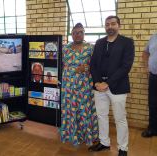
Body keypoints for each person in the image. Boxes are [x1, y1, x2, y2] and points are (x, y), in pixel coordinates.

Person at [88, 16, 135, 156]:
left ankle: (123, 148)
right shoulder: (99, 42)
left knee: (120, 118)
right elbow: (93, 64)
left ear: (119, 25)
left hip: (118, 87)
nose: (110, 27)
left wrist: (107, 83)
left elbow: (125, 67)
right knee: (101, 116)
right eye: (107, 24)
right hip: (99, 87)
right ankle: (104, 142)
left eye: (113, 24)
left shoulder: (127, 42)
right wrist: (97, 82)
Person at [60, 23, 98, 146]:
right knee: (70, 110)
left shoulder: (91, 48)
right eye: (75, 32)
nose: (78, 35)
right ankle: (70, 134)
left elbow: (97, 65)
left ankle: (86, 135)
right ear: (71, 34)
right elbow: (60, 64)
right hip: (68, 85)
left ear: (84, 33)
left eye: (81, 32)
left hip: (84, 85)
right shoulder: (65, 48)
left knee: (84, 110)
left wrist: (86, 67)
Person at [141, 33, 157, 138]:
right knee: (153, 103)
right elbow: (145, 52)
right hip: (154, 76)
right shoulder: (154, 37)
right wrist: (146, 66)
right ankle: (153, 129)